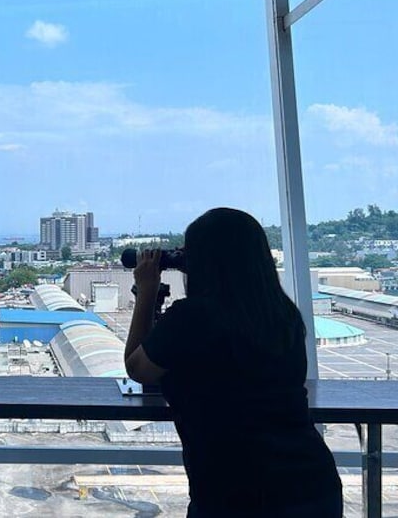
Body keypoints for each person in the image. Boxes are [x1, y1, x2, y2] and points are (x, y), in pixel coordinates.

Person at [124, 207, 342, 517]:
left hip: (233, 493)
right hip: (313, 487)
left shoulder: (192, 318)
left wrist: (147, 292)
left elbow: (137, 368)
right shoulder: (283, 315)